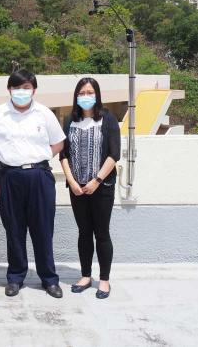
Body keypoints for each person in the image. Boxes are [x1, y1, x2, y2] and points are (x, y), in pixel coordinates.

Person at [0, 69, 66, 299]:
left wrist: (41, 154)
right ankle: (15, 277)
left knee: (43, 230)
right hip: (8, 177)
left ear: (34, 90)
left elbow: (59, 142)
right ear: (9, 89)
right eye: (17, 88)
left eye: (26, 87)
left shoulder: (44, 113)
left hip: (39, 176)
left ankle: (49, 279)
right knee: (14, 230)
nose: (22, 92)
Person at [59, 77, 120, 299]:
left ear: (97, 95)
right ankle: (86, 275)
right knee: (84, 233)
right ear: (76, 96)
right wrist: (73, 182)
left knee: (101, 233)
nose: (86, 96)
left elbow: (115, 154)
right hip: (77, 189)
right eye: (82, 93)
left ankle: (104, 280)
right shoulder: (69, 121)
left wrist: (96, 180)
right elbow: (63, 154)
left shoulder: (108, 119)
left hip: (101, 187)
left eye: (89, 92)